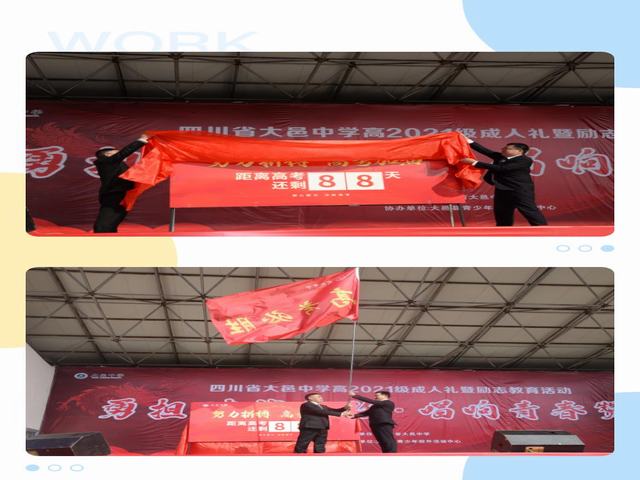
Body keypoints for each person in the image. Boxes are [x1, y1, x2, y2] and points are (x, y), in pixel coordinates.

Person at [460, 137, 547, 227]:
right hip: (502, 189)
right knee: (502, 213)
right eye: (504, 147)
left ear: (519, 151)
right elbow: (483, 150)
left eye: (507, 148)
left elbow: (503, 168)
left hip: (519, 190)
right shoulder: (500, 157)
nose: (503, 149)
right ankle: (503, 230)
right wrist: (466, 140)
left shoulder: (525, 160)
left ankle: (542, 228)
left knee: (529, 211)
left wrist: (475, 163)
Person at [92, 134, 149, 233]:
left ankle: (110, 237)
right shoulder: (104, 161)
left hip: (122, 195)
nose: (118, 153)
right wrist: (141, 140)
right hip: (113, 195)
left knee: (112, 222)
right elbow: (123, 153)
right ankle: (102, 237)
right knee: (104, 224)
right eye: (115, 153)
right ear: (107, 154)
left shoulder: (116, 163)